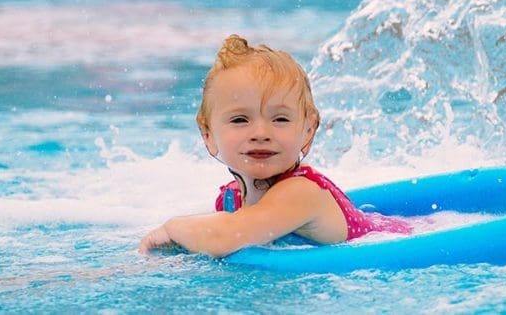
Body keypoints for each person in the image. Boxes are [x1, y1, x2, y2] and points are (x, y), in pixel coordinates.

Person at [139, 35, 411, 256]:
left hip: (404, 242)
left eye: (280, 118)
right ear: (208, 134)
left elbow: (223, 237)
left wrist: (170, 228)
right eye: (240, 119)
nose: (260, 132)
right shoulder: (230, 199)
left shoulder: (301, 193)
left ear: (307, 130)